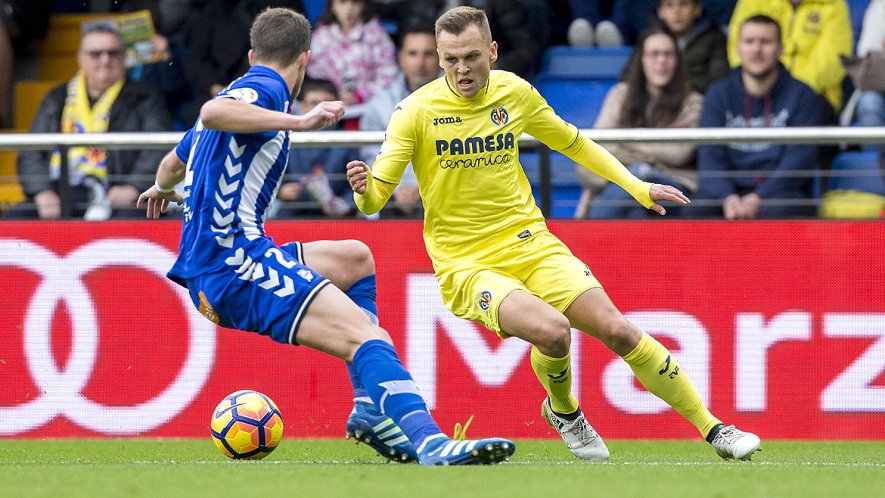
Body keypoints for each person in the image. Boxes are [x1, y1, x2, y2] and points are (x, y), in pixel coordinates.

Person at [346, 6, 762, 461]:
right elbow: (375, 200)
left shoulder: (515, 93)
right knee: (553, 331)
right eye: (450, 60)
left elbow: (573, 141)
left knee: (618, 330)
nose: (461, 70)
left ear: (493, 51)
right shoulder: (415, 112)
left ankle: (713, 427)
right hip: (467, 263)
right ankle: (565, 413)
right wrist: (364, 191)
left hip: (531, 243)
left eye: (471, 57)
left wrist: (637, 187)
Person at [136, 7, 514, 466]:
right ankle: (431, 442)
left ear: (253, 52)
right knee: (365, 335)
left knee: (355, 259)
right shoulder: (268, 89)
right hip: (235, 266)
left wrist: (164, 190)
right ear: (305, 59)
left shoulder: (244, 90)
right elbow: (211, 111)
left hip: (222, 261)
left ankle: (371, 411)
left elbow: (174, 165)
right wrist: (302, 122)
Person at [9, 23, 172, 220]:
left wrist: (133, 187)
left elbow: (158, 150)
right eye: (96, 54)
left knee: (134, 216)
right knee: (18, 215)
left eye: (112, 53)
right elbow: (31, 152)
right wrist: (42, 192)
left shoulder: (144, 98)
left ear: (124, 57)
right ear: (80, 59)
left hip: (117, 193)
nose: (105, 60)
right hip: (61, 191)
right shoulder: (56, 98)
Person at [693, 15, 826, 219]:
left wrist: (759, 197)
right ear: (738, 48)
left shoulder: (802, 94)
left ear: (780, 49)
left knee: (781, 209)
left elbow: (800, 159)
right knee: (696, 209)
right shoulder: (718, 93)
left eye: (766, 42)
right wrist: (728, 197)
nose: (756, 49)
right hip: (728, 192)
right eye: (749, 41)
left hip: (780, 192)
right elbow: (709, 156)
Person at [584, 27, 704, 219]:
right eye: (654, 54)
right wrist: (650, 156)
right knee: (635, 205)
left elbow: (679, 153)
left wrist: (625, 143)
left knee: (639, 175)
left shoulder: (693, 101)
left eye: (668, 54)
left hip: (674, 186)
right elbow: (597, 147)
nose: (661, 61)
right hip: (624, 185)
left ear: (678, 61)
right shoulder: (620, 94)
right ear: (641, 60)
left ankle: (591, 239)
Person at [359, 22, 440, 218]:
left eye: (428, 54)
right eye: (413, 54)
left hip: (443, 193)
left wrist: (420, 188)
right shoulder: (379, 103)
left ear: (441, 58)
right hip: (392, 196)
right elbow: (372, 156)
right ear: (400, 59)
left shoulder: (462, 98)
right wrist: (399, 190)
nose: (420, 62)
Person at [726, 0, 853, 114]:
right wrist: (766, 85)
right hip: (755, 91)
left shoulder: (834, 4)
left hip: (816, 94)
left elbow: (833, 62)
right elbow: (737, 48)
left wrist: (788, 90)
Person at [273, 78, 355, 218]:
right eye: (314, 103)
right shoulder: (284, 138)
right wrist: (280, 191)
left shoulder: (349, 141)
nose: (321, 110)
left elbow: (359, 185)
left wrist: (346, 203)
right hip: (292, 213)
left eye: (328, 103)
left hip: (337, 218)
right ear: (302, 106)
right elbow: (268, 177)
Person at [306, 0, 398, 106]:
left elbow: (388, 73)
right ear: (332, 6)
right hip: (328, 105)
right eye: (342, 2)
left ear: (364, 5)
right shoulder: (320, 36)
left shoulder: (377, 35)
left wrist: (360, 95)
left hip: (369, 106)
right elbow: (314, 74)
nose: (349, 8)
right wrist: (332, 94)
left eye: (355, 2)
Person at [652, 0, 729, 93]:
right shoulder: (650, 39)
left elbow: (718, 81)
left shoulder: (715, 38)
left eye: (684, 4)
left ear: (697, 9)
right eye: (669, 5)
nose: (676, 12)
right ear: (660, 12)